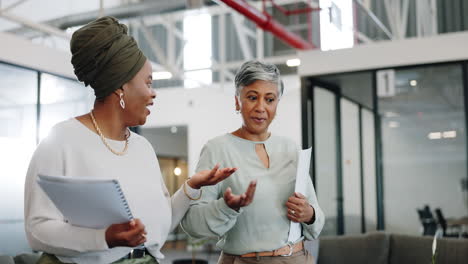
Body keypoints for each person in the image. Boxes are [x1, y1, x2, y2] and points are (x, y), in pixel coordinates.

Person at [24, 16, 237, 264]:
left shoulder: (142, 147)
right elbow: (37, 230)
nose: (153, 93)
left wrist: (191, 188)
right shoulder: (61, 141)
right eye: (148, 83)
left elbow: (157, 228)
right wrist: (104, 237)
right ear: (121, 87)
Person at [181, 60, 325, 264]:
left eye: (269, 99)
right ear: (237, 101)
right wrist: (227, 207)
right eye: (252, 97)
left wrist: (309, 214)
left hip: (297, 258)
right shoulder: (217, 149)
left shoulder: (290, 148)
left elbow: (316, 220)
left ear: (277, 103)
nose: (261, 107)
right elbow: (192, 224)